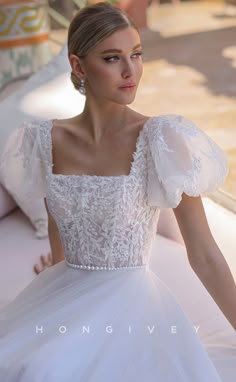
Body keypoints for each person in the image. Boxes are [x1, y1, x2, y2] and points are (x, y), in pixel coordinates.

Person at [0, 3, 235, 381]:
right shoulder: (42, 141)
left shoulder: (163, 138)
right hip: (68, 293)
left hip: (132, 304)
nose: (131, 71)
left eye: (137, 54)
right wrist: (57, 274)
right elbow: (60, 223)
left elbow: (205, 255)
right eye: (113, 58)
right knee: (24, 365)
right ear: (78, 66)